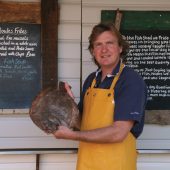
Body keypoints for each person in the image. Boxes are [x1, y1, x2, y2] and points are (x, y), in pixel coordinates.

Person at [53, 23, 147, 170]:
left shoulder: (130, 80)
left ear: (120, 48)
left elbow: (118, 132)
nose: (104, 50)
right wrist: (68, 102)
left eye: (110, 43)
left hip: (116, 164)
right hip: (87, 163)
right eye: (98, 45)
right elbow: (80, 124)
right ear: (93, 51)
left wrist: (70, 136)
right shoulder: (91, 80)